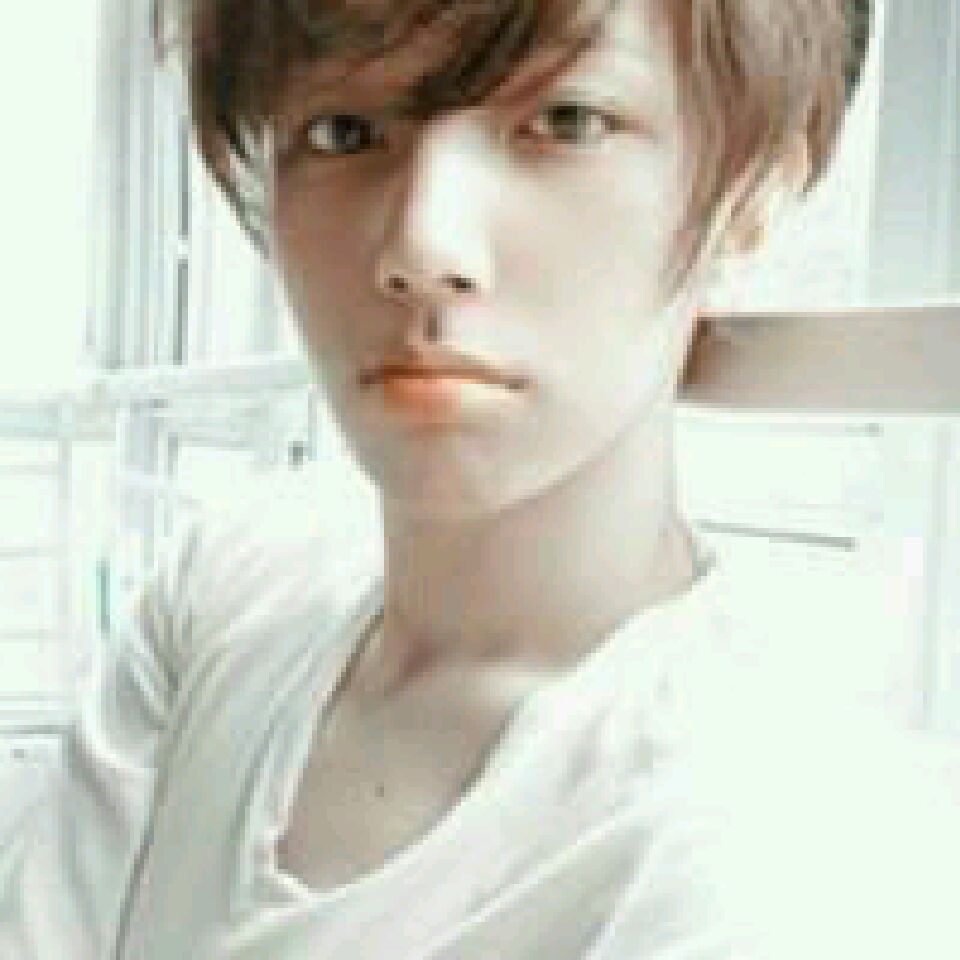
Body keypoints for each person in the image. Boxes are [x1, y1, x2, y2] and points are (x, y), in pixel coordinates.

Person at [2, 0, 958, 957]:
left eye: (567, 123)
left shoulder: (784, 851)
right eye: (343, 132)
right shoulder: (232, 585)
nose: (423, 247)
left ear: (754, 194)